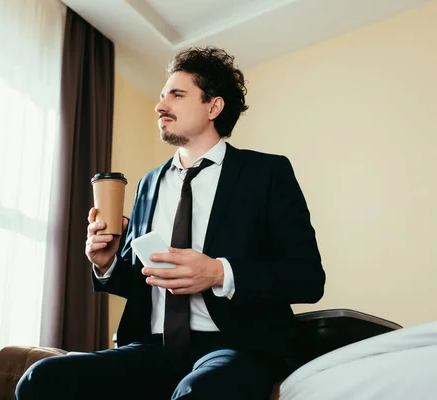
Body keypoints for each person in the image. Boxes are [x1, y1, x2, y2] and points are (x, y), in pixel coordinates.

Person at [16, 46, 325, 400]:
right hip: (153, 347)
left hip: (236, 347)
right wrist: (106, 264)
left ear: (214, 107)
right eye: (162, 96)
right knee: (38, 379)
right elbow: (141, 280)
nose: (160, 106)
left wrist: (218, 272)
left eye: (177, 95)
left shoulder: (267, 173)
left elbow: (308, 278)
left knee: (199, 393)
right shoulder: (148, 183)